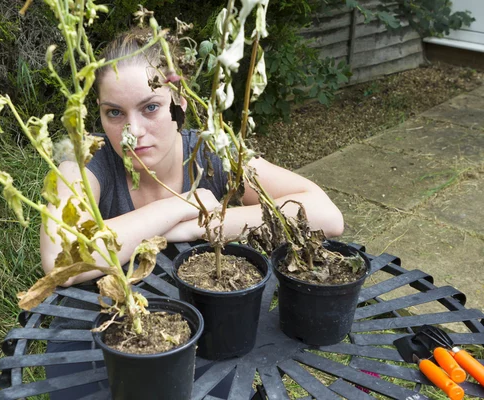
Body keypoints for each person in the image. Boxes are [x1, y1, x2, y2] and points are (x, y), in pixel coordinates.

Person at [40, 28, 344, 399]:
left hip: (207, 336)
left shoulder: (210, 152)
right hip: (105, 339)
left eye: (150, 107)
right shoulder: (86, 164)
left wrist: (202, 225)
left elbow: (326, 214)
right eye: (114, 113)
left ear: (178, 98)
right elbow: (60, 259)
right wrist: (178, 206)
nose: (131, 132)